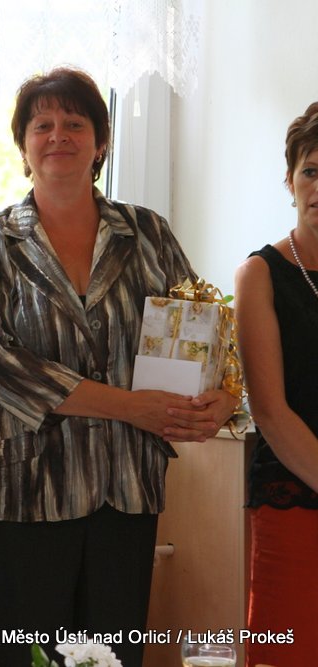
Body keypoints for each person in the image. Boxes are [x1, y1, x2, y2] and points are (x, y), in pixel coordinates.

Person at [0, 67, 238, 666]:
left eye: (75, 123)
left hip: (125, 486)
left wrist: (224, 393)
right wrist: (130, 407)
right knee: (27, 657)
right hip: (27, 491)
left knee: (113, 656)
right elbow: (1, 363)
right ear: (23, 144)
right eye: (42, 125)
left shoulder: (147, 232)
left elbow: (200, 326)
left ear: (100, 142)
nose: (58, 135)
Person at [234, 101, 318, 667]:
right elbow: (268, 409)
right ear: (290, 181)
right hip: (293, 508)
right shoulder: (260, 274)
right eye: (311, 170)